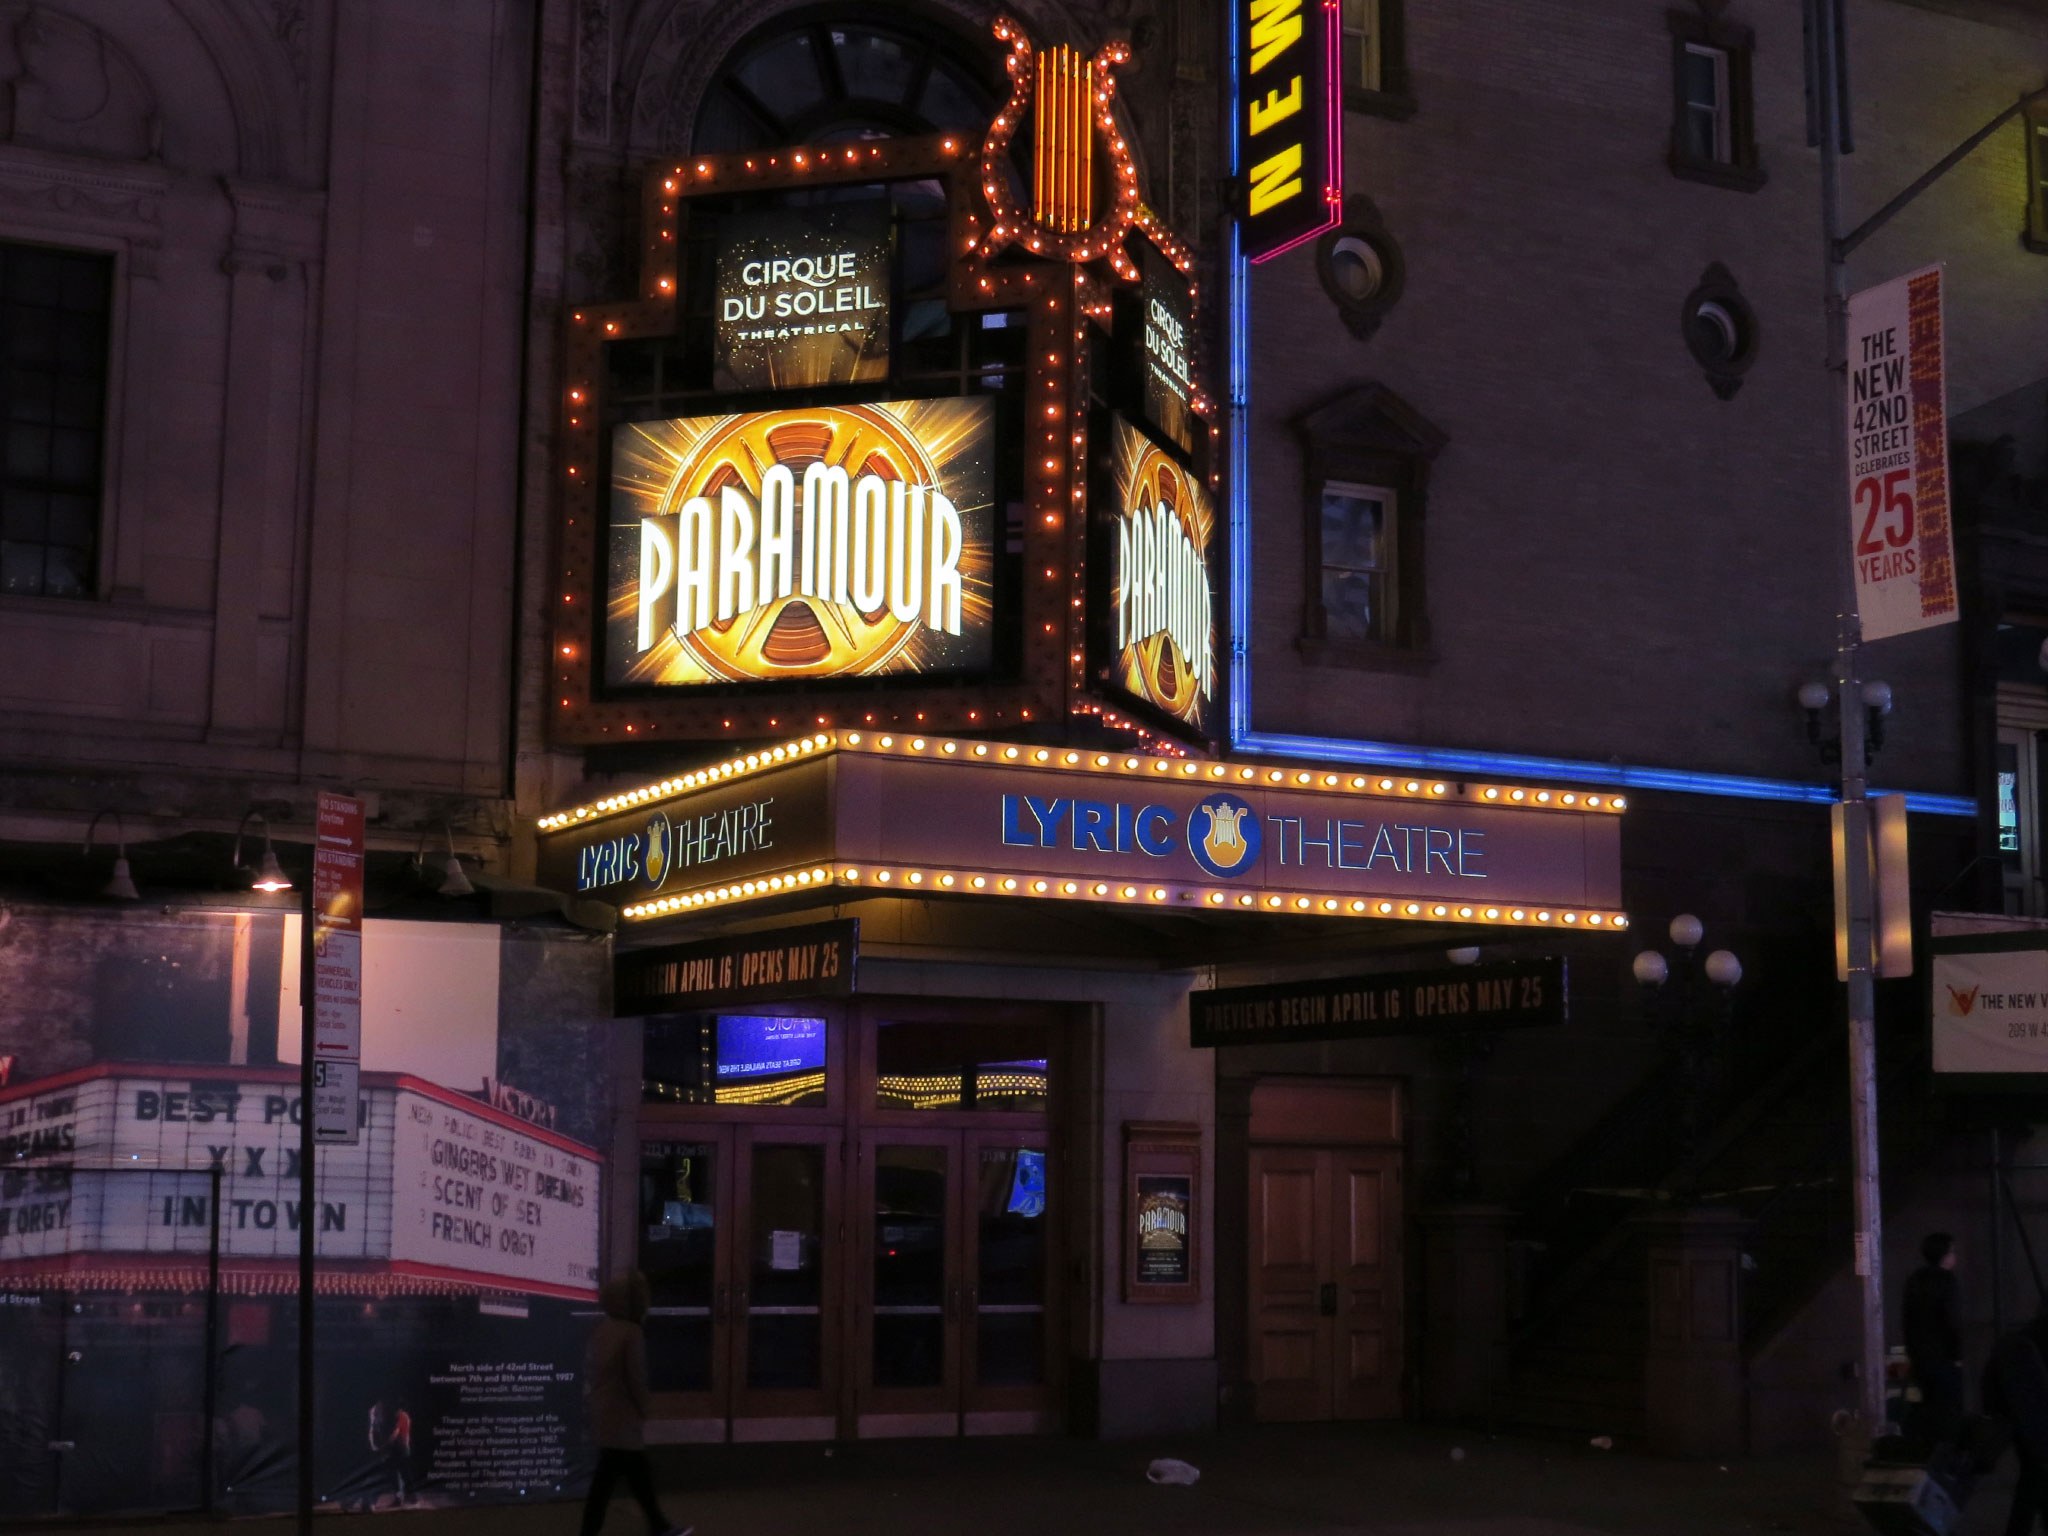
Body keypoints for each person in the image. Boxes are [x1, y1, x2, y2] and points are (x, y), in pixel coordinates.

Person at [581, 1271, 690, 1536]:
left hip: (605, 1413)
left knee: (617, 1477)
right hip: (623, 1417)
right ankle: (658, 1526)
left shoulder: (603, 1329)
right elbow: (636, 1379)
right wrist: (645, 1408)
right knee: (620, 1477)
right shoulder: (632, 1333)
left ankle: (657, 1524)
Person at [1982, 1306, 2048, 1536]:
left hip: (2021, 1416)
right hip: (2037, 1419)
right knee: (2034, 1477)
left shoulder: (2028, 1333)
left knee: (2034, 1475)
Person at [1905, 1231, 1964, 1448]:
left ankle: (1924, 1454)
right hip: (1943, 1358)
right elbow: (1951, 1322)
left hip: (1920, 1358)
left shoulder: (1915, 1280)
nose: (1954, 1256)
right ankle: (1945, 1459)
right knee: (1948, 1413)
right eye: (1952, 1251)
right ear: (1945, 1255)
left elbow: (1907, 1320)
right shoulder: (1947, 1281)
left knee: (1924, 1409)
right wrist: (1956, 1355)